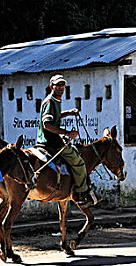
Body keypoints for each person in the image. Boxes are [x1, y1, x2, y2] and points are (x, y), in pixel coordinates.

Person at [36, 74, 94, 207]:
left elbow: (54, 117)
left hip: (49, 138)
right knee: (79, 162)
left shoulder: (55, 100)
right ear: (52, 86)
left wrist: (68, 113)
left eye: (62, 85)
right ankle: (81, 193)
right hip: (50, 141)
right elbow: (47, 125)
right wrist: (67, 132)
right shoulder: (50, 102)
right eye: (58, 85)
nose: (61, 87)